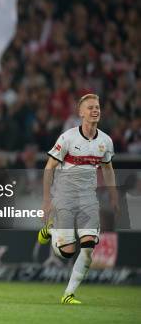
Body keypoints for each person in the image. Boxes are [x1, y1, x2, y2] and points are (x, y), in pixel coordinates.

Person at [38, 94, 119, 304]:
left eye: (98, 107)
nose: (95, 110)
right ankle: (51, 229)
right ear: (81, 113)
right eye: (90, 107)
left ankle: (68, 294)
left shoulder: (105, 141)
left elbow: (107, 168)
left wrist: (113, 193)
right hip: (64, 195)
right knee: (67, 252)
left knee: (89, 248)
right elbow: (49, 167)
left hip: (88, 199)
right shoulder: (67, 138)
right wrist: (47, 200)